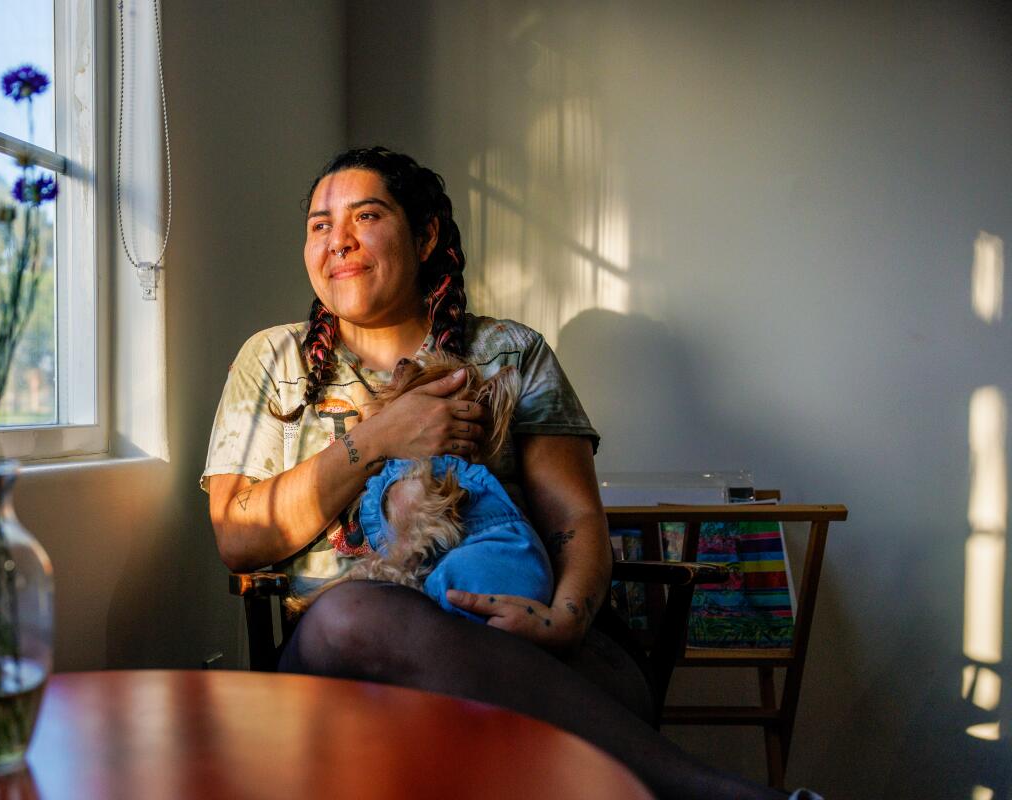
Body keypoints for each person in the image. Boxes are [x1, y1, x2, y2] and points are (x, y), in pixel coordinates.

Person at [202, 147, 802, 800]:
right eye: (319, 225)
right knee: (352, 618)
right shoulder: (272, 359)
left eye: (364, 216)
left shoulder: (509, 353)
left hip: (522, 638)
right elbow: (240, 535)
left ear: (427, 233)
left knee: (606, 690)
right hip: (349, 662)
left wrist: (565, 619)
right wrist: (378, 438)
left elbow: (574, 519)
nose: (337, 241)